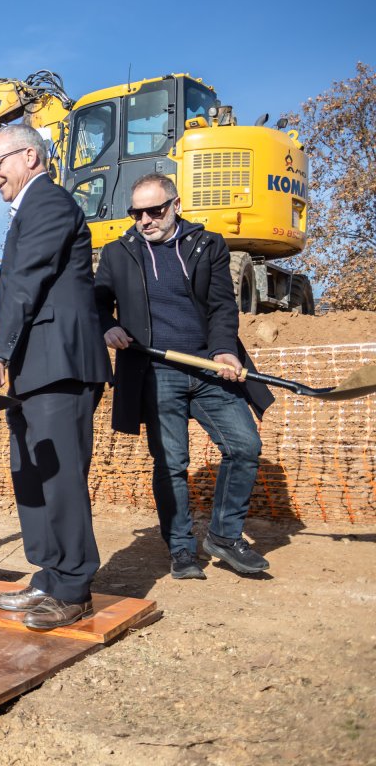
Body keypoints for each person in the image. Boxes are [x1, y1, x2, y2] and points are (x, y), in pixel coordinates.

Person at [94, 174, 273, 578]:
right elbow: (97, 301)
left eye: (154, 210)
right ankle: (181, 549)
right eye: (136, 213)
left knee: (244, 446)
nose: (145, 220)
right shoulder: (118, 252)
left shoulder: (207, 245)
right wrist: (107, 324)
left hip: (209, 368)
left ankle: (224, 537)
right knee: (172, 462)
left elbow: (222, 305)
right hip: (155, 372)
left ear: (176, 205)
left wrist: (225, 349)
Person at [0, 124, 112, 631]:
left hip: (61, 364)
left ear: (30, 156)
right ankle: (51, 574)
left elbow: (26, 281)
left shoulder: (49, 202)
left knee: (59, 478)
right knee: (29, 472)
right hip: (35, 368)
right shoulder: (28, 211)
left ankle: (74, 588)